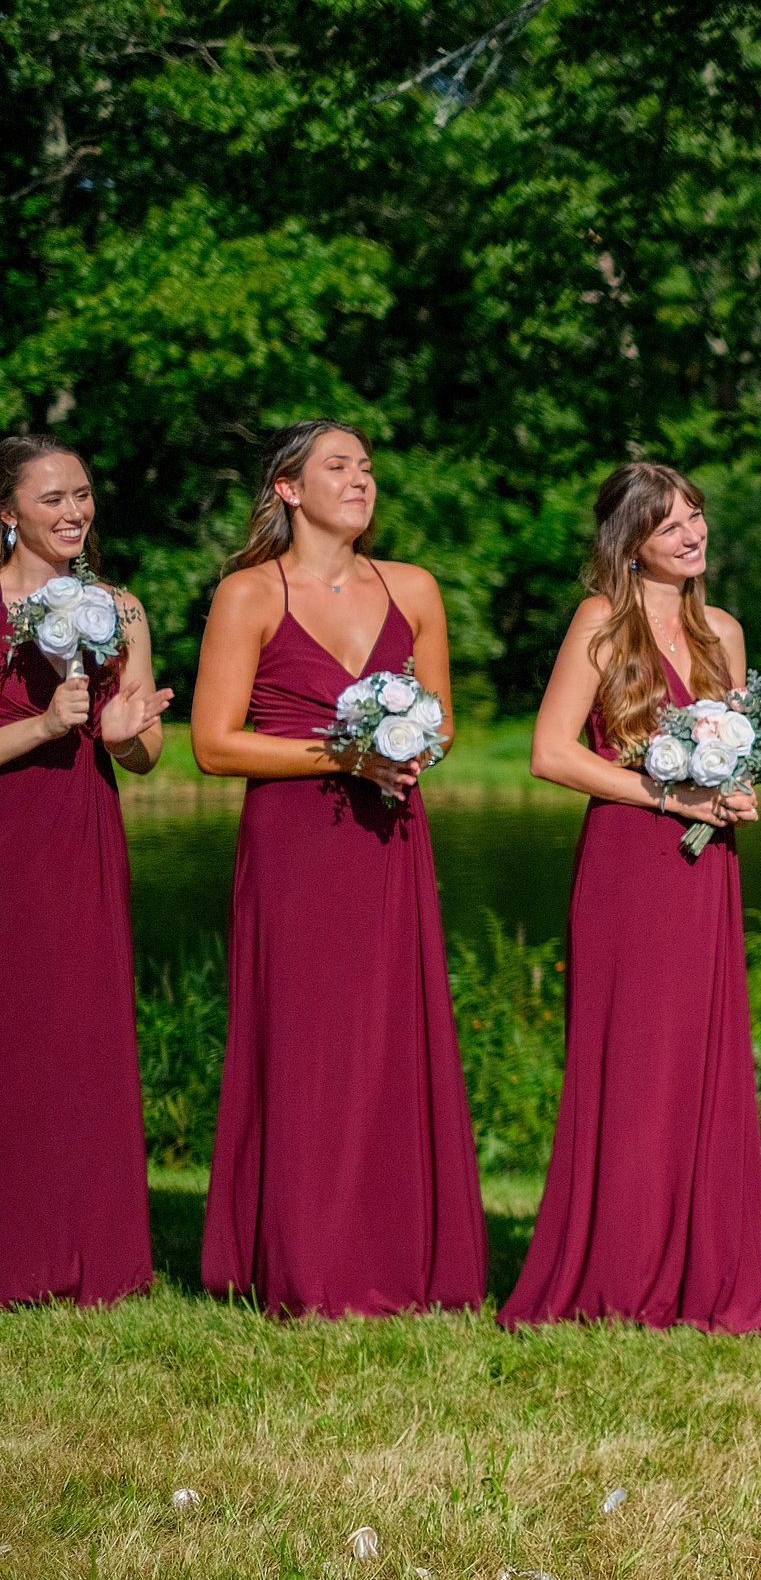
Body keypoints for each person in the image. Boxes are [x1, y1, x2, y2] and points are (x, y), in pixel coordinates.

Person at [192, 420, 487, 1318]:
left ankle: (406, 1257)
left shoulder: (415, 588)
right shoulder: (249, 593)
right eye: (337, 466)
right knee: (307, 1044)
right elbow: (211, 743)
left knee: (392, 1036)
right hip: (295, 846)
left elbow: (440, 724)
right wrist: (341, 756)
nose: (360, 479)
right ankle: (304, 1261)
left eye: (365, 466)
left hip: (389, 839)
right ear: (288, 488)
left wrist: (407, 749)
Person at [497, 462, 761, 1334]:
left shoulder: (724, 632)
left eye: (695, 515)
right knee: (633, 1063)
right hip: (629, 862)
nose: (692, 533)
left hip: (707, 869)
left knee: (699, 1061)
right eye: (669, 525)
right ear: (632, 545)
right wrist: (668, 796)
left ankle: (703, 1276)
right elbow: (550, 753)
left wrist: (742, 788)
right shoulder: (600, 624)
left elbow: (735, 751)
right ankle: (615, 1272)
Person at [0, 435, 172, 1308]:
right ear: (7, 513)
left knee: (78, 1027)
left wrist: (129, 734)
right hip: (7, 836)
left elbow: (142, 754)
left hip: (78, 833)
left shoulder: (124, 609)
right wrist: (38, 725)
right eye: (51, 499)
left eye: (83, 495)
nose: (73, 514)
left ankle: (88, 1253)